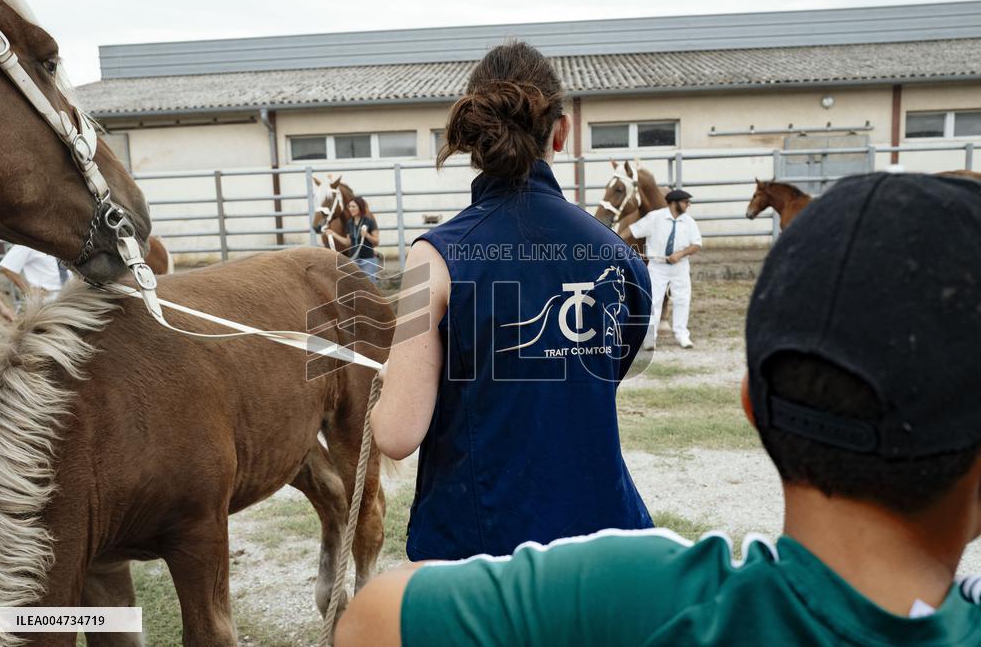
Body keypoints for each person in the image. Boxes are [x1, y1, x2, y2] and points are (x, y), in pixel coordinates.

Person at [337, 172, 981, 646]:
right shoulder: (613, 250)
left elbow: (368, 615)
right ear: (558, 136)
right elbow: (619, 356)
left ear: (753, 405)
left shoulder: (641, 589)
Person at [367, 41, 654, 563]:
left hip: (484, 550)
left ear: (474, 135)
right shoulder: (622, 258)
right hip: (607, 540)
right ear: (561, 132)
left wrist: (393, 376)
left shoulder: (429, 259)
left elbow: (396, 433)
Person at [620, 188, 702, 350]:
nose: (688, 205)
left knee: (682, 300)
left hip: (680, 267)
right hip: (657, 267)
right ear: (674, 203)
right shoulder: (655, 218)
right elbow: (633, 229)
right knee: (654, 301)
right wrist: (615, 240)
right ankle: (650, 337)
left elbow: (697, 244)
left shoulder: (689, 222)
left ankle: (682, 335)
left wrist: (681, 253)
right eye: (686, 202)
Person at [324, 197, 381, 284]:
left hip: (367, 259)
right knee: (354, 285)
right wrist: (333, 234)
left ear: (360, 207)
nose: (351, 209)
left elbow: (376, 242)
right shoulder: (350, 223)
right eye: (350, 206)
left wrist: (367, 235)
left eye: (353, 206)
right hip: (354, 259)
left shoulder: (369, 222)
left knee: (369, 285)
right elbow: (348, 243)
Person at [0, 244, 71, 300]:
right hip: (47, 298)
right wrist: (28, 291)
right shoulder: (27, 244)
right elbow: (6, 268)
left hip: (70, 293)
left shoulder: (62, 241)